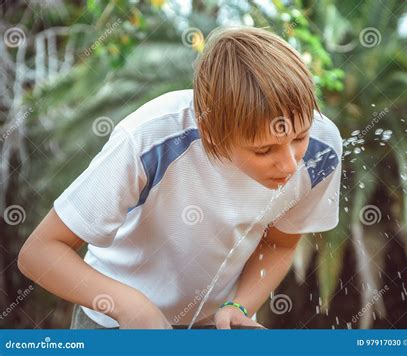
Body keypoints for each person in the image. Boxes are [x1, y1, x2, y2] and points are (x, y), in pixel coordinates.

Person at [17, 26, 342, 329]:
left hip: (213, 327)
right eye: (264, 150)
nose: (288, 165)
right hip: (112, 323)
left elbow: (280, 243)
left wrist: (240, 306)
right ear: (213, 136)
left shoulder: (322, 149)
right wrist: (132, 308)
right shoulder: (150, 137)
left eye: (299, 138)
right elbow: (40, 252)